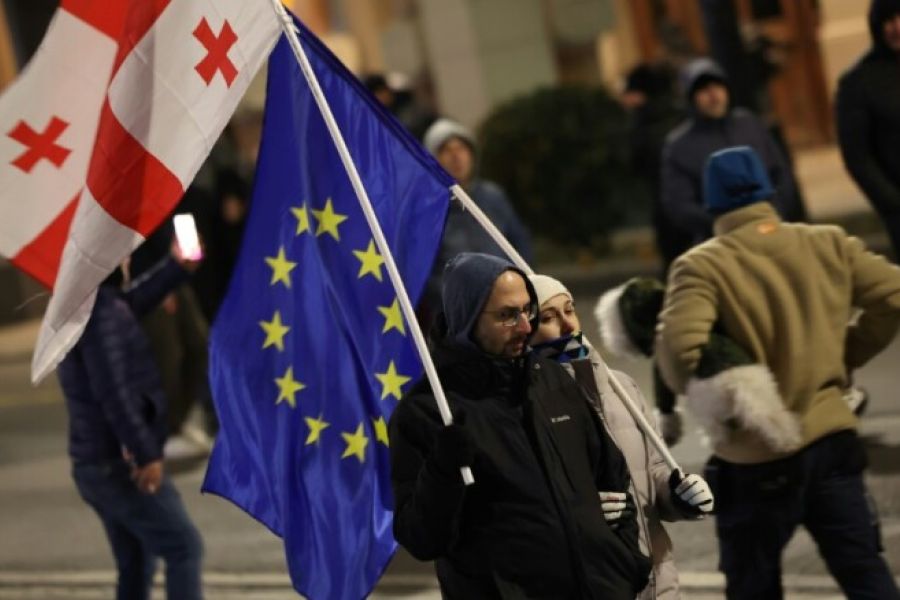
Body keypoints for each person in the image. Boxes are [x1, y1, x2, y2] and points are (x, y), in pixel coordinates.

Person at [655, 146, 900, 599]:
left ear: (711, 201)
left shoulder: (701, 265)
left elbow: (678, 350)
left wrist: (710, 393)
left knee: (754, 583)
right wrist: (846, 353)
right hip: (832, 441)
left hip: (755, 455)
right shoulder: (828, 242)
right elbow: (892, 295)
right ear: (769, 188)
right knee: (864, 570)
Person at [390, 252, 651, 599]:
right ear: (467, 318)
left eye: (526, 310)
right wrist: (442, 470)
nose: (526, 327)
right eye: (507, 316)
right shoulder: (427, 412)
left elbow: (613, 475)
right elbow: (422, 539)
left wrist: (625, 563)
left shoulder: (552, 380)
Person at [528, 274, 713, 599]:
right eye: (547, 318)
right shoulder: (527, 401)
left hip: (659, 582)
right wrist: (582, 512)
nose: (568, 326)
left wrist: (678, 495)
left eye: (569, 310)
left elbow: (652, 469)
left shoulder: (621, 386)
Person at [57, 250, 205, 600]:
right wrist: (146, 454)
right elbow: (115, 393)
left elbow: (133, 300)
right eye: (119, 251)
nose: (125, 258)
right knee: (184, 547)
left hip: (96, 462)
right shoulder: (101, 315)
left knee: (137, 561)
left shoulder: (94, 307)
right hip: (118, 464)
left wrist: (175, 269)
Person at [660, 57, 805, 247]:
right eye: (703, 90)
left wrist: (775, 212)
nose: (713, 95)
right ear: (690, 98)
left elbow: (780, 172)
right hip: (720, 245)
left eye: (718, 86)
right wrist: (726, 225)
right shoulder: (679, 146)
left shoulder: (749, 124)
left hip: (772, 230)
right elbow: (680, 205)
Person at [420, 118, 534, 324]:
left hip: (511, 305)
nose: (456, 156)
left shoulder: (492, 196)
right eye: (446, 150)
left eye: (462, 148)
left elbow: (519, 244)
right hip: (457, 316)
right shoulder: (425, 208)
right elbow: (423, 270)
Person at [836, 0, 900, 261]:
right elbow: (858, 157)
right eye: (888, 20)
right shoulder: (858, 82)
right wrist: (893, 203)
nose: (897, 27)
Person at [620, 63, 692, 275]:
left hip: (667, 206)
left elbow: (636, 162)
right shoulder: (682, 116)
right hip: (694, 204)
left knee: (676, 264)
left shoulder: (645, 124)